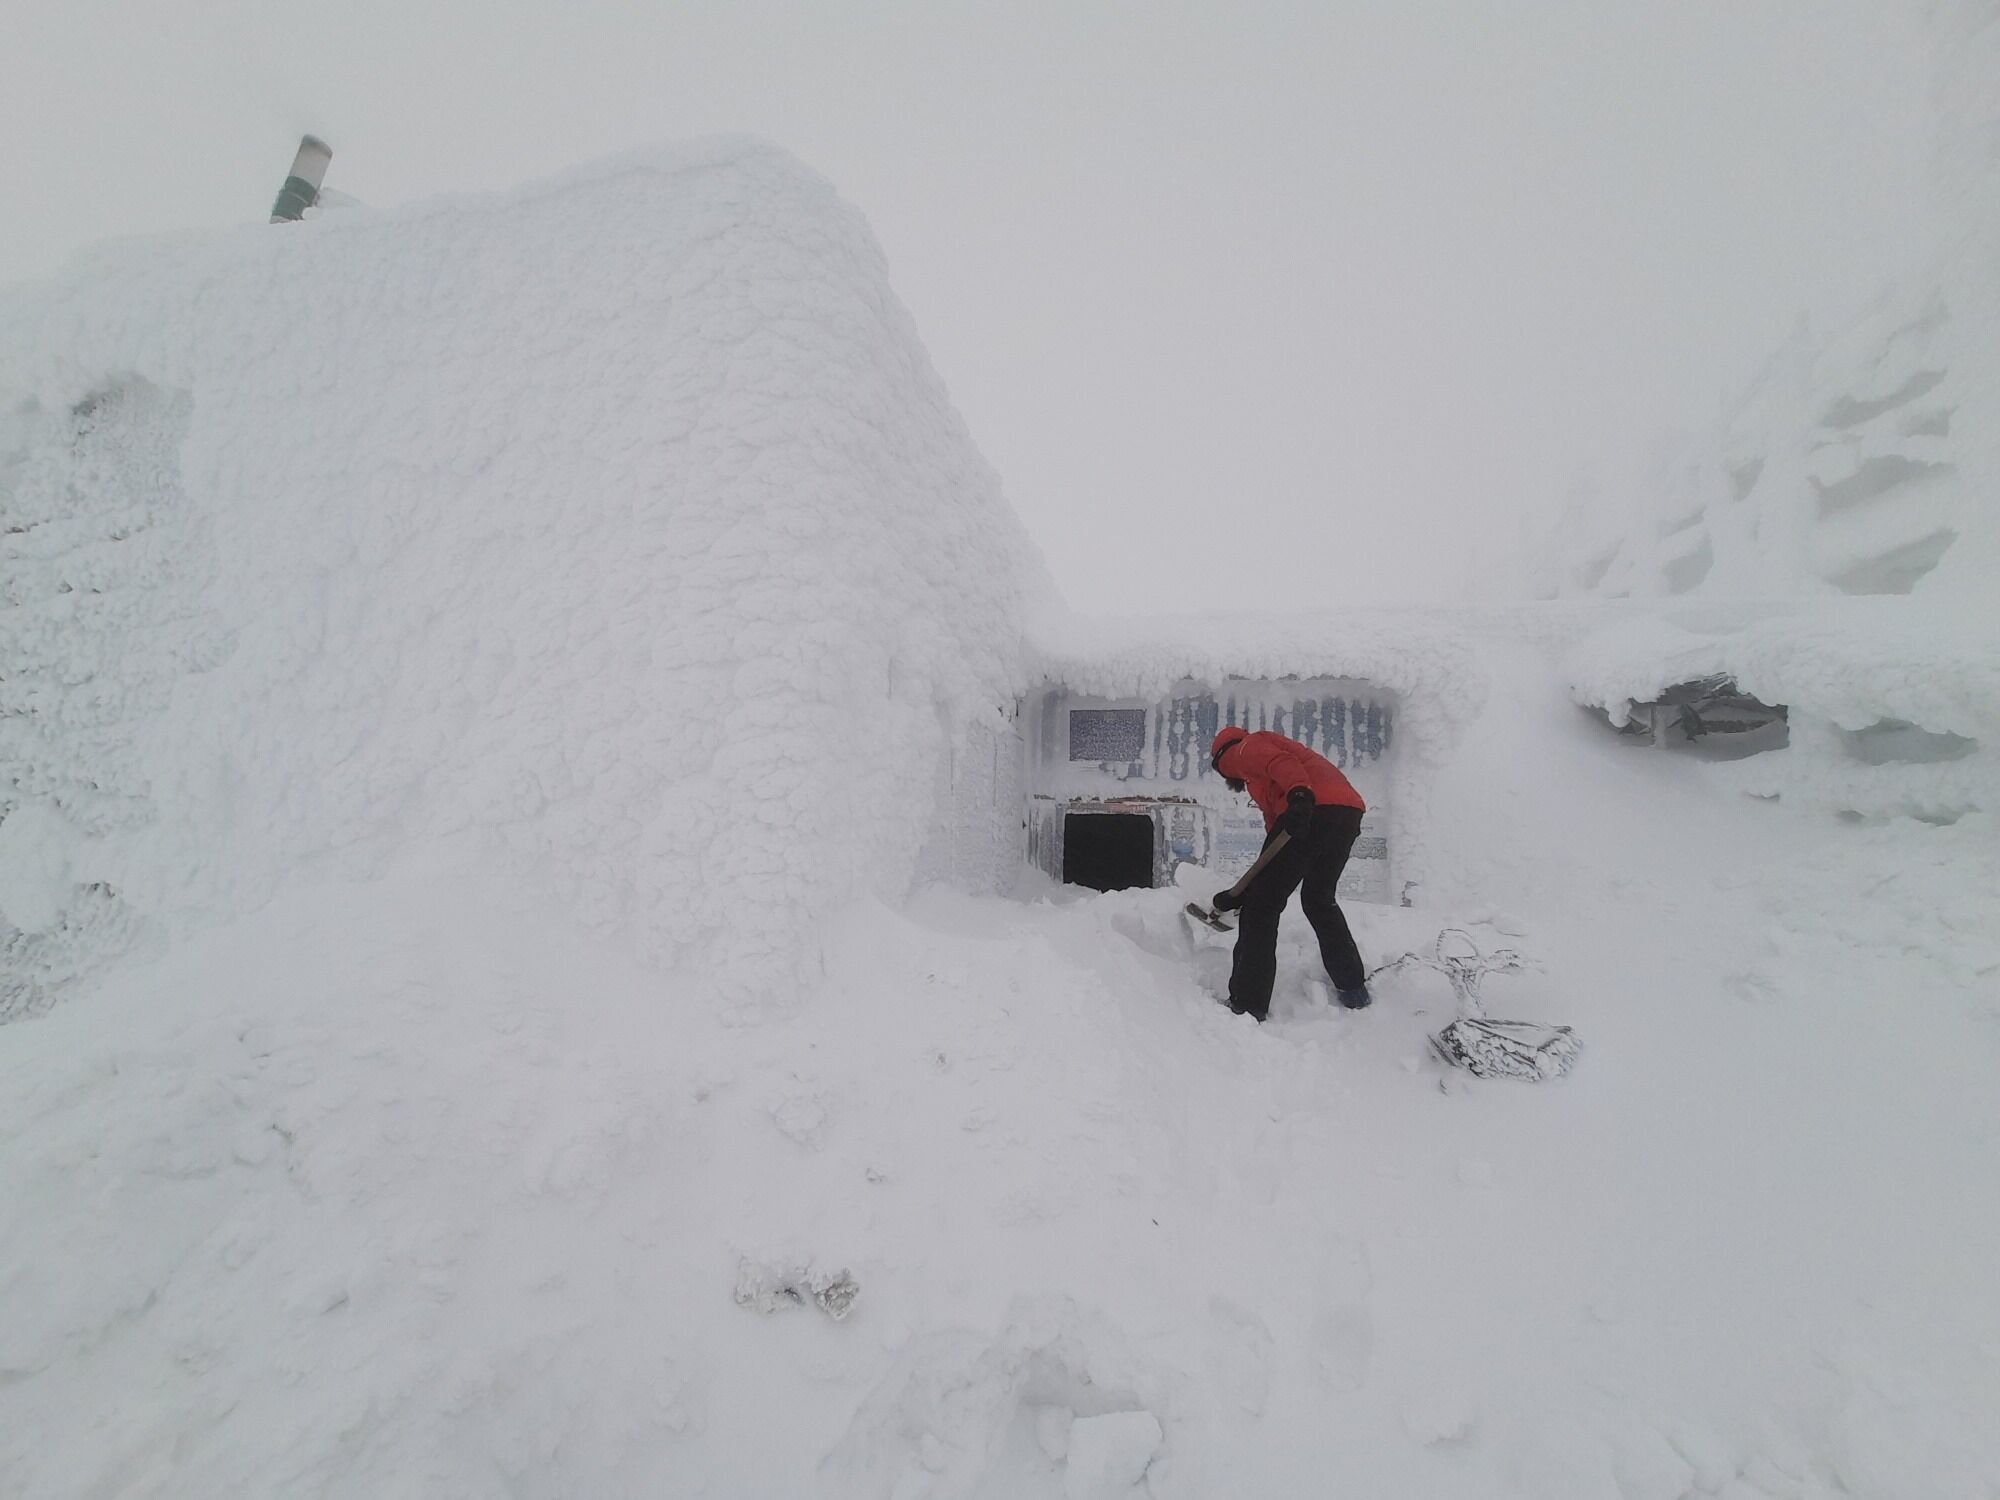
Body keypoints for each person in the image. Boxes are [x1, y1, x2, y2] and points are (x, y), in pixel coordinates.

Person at [1208, 724, 1371, 1019]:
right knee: (1319, 900)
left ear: (1221, 758)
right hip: (1346, 813)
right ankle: (1353, 989)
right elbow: (1276, 843)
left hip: (1313, 807)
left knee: (1261, 909)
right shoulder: (1259, 780)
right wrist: (1242, 891)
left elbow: (1283, 764)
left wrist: (1299, 794)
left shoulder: (1244, 749)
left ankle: (1246, 1005)